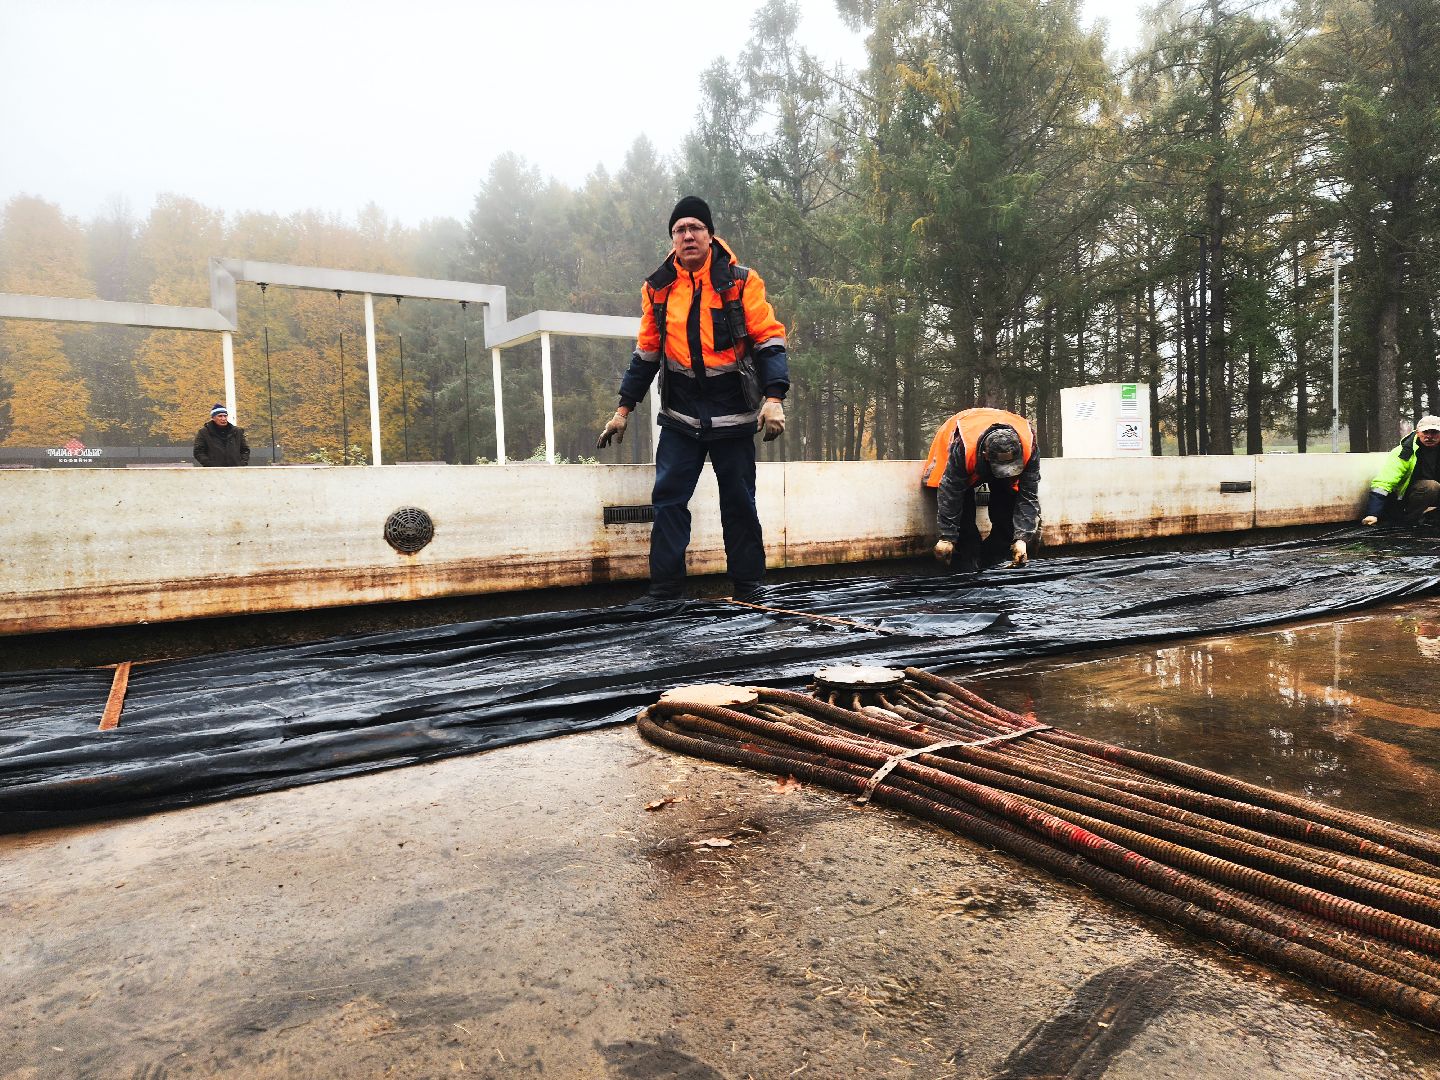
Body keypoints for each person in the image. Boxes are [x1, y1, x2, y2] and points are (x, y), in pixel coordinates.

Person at [596, 195, 790, 604]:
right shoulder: (657, 289)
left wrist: (774, 397)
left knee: (739, 503)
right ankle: (665, 593)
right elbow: (647, 352)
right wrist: (622, 409)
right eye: (680, 230)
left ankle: (749, 589)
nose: (688, 236)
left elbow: (768, 337)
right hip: (681, 418)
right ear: (672, 239)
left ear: (709, 234)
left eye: (695, 228)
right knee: (668, 501)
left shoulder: (740, 281)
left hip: (733, 416)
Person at [921, 407, 1040, 574]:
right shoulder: (963, 447)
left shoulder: (1029, 444)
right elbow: (951, 492)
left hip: (992, 457)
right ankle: (969, 568)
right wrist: (947, 537)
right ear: (985, 455)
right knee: (966, 532)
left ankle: (992, 565)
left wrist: (1022, 538)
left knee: (1007, 525)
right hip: (960, 460)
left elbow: (1028, 494)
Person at [1361, 415, 1440, 527]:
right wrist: (1373, 514)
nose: (1429, 436)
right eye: (1426, 432)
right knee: (1431, 486)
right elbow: (1384, 482)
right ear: (1417, 433)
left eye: (1434, 432)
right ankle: (1408, 521)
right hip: (1406, 499)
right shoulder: (1404, 452)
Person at [193, 403, 250, 467]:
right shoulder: (204, 432)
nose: (223, 418)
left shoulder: (237, 431)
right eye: (220, 416)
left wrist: (242, 464)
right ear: (213, 418)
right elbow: (198, 451)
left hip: (235, 471)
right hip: (214, 472)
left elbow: (245, 450)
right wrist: (209, 464)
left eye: (225, 416)